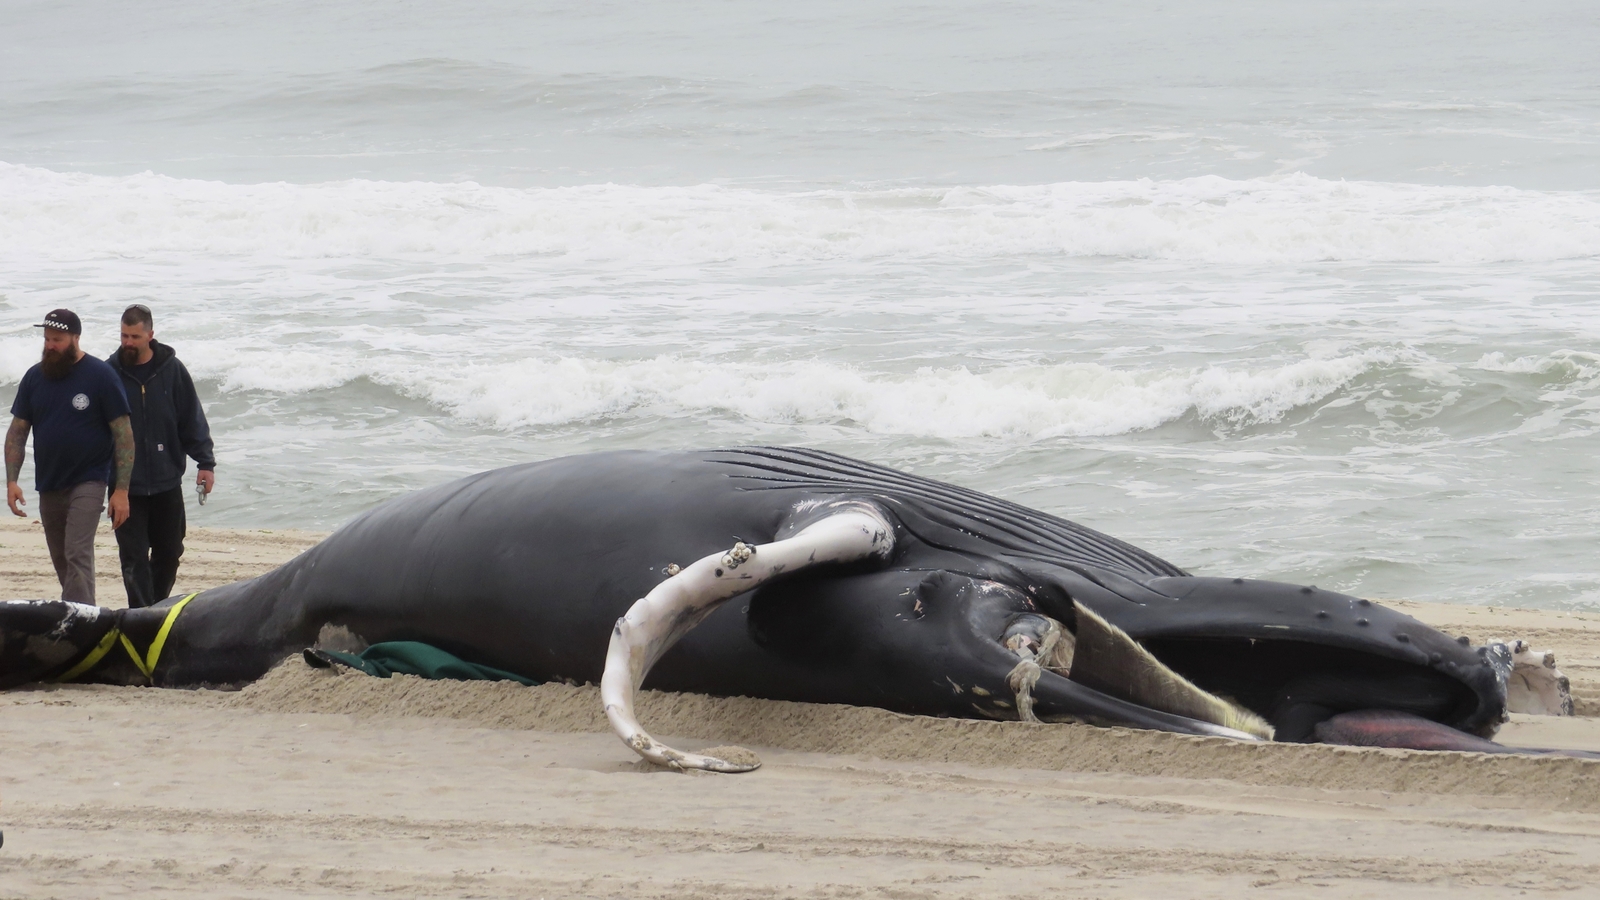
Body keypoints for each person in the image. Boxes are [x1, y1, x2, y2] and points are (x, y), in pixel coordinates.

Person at [6, 309, 134, 605]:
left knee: (77, 550)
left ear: (76, 338)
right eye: (48, 339)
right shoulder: (35, 377)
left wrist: (122, 490)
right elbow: (17, 432)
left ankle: (79, 621)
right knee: (61, 555)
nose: (50, 345)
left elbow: (124, 435)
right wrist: (12, 481)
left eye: (58, 340)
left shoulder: (101, 375)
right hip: (49, 482)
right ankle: (80, 610)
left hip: (89, 479)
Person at [107, 304, 216, 609]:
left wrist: (205, 462)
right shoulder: (109, 374)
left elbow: (191, 418)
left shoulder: (172, 370)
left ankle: (154, 608)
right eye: (124, 335)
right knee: (134, 558)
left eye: (135, 336)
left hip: (168, 482)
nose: (128, 342)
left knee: (170, 552)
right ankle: (142, 615)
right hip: (126, 488)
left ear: (150, 335)